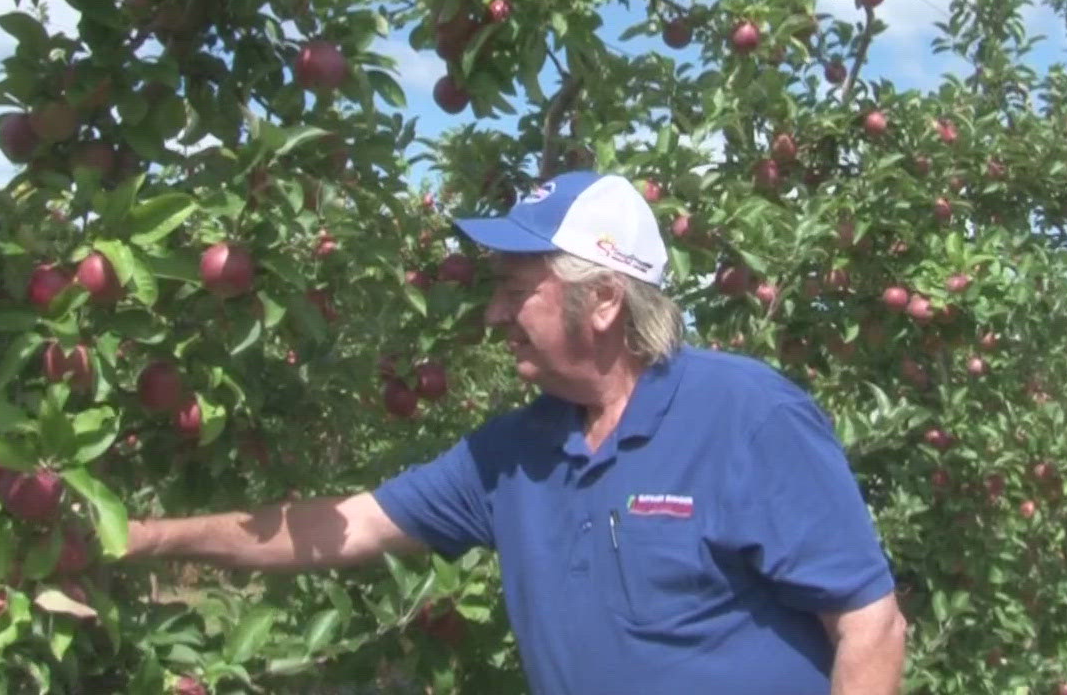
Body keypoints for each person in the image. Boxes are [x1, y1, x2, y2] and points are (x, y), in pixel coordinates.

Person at [121, 170, 907, 693]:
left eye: (515, 291)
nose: (494, 313)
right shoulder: (513, 455)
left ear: (600, 300)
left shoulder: (746, 416)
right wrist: (144, 539)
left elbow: (870, 624)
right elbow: (345, 528)